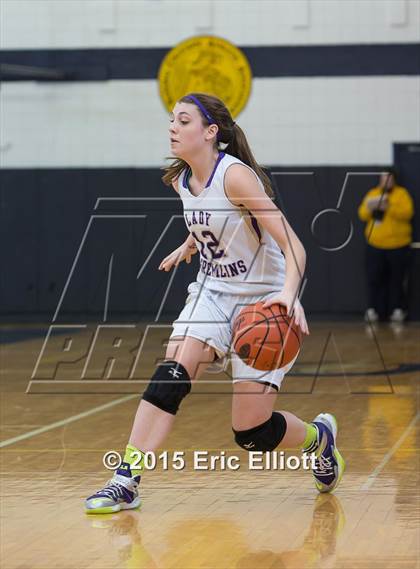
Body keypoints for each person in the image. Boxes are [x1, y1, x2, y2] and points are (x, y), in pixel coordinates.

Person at [85, 93, 345, 514]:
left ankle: (320, 439)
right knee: (171, 375)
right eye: (171, 119)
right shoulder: (180, 179)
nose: (173, 126)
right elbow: (213, 217)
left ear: (210, 133)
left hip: (264, 298)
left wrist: (289, 294)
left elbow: (293, 245)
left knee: (252, 433)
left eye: (183, 120)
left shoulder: (237, 177)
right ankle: (126, 480)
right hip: (213, 291)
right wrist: (190, 243)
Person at [358, 169, 414, 323]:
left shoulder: (401, 194)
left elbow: (408, 213)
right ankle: (373, 310)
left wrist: (389, 206)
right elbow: (362, 213)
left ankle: (397, 310)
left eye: (389, 179)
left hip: (398, 245)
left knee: (397, 279)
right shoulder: (373, 193)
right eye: (383, 179)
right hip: (375, 245)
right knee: (374, 279)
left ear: (394, 180)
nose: (386, 182)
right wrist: (372, 207)